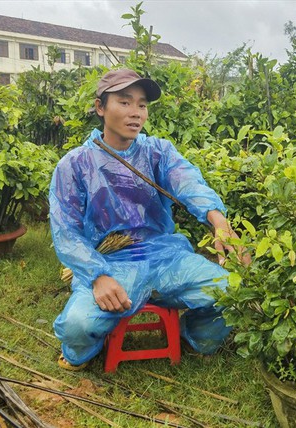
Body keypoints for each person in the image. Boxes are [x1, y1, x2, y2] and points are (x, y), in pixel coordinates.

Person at [49, 68, 249, 370]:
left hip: (164, 255)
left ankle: (195, 337)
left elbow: (187, 182)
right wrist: (97, 276)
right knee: (78, 324)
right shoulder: (74, 165)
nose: (136, 113)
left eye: (142, 105)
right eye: (125, 102)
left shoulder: (158, 151)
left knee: (231, 291)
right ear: (101, 107)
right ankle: (80, 353)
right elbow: (67, 233)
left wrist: (218, 221)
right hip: (110, 263)